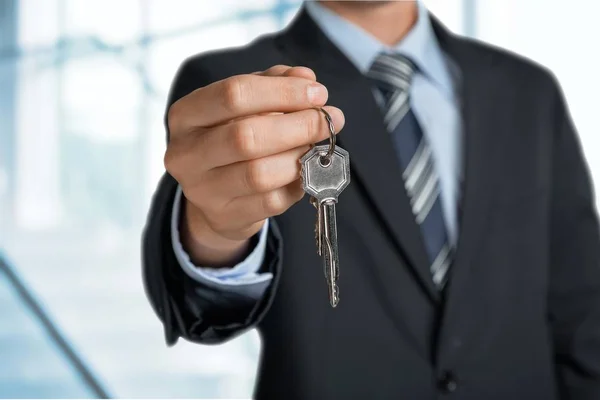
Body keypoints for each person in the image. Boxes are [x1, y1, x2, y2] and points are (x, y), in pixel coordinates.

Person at [142, 1, 600, 399]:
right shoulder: (237, 91)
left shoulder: (529, 92)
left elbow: (581, 308)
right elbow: (197, 303)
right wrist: (215, 233)